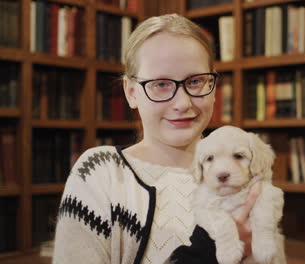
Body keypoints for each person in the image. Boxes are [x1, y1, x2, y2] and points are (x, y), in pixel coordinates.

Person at [53, 13, 261, 264]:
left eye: (195, 81)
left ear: (213, 87)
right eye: (161, 84)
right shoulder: (101, 172)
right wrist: (209, 252)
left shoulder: (242, 171)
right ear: (131, 92)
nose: (183, 103)